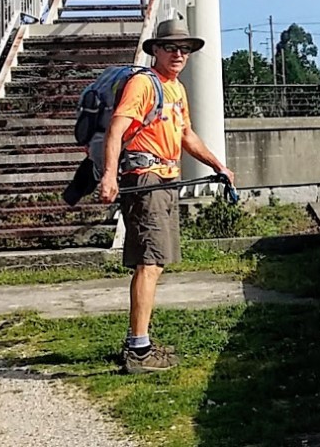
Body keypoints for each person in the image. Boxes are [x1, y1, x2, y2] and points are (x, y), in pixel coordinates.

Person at [99, 19, 234, 374]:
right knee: (149, 262)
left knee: (154, 262)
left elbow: (186, 135)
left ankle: (139, 342)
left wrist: (217, 165)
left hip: (165, 180)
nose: (178, 54)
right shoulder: (144, 84)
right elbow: (117, 128)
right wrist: (110, 175)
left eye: (184, 49)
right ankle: (138, 351)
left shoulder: (175, 89)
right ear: (155, 50)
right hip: (146, 179)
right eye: (171, 48)